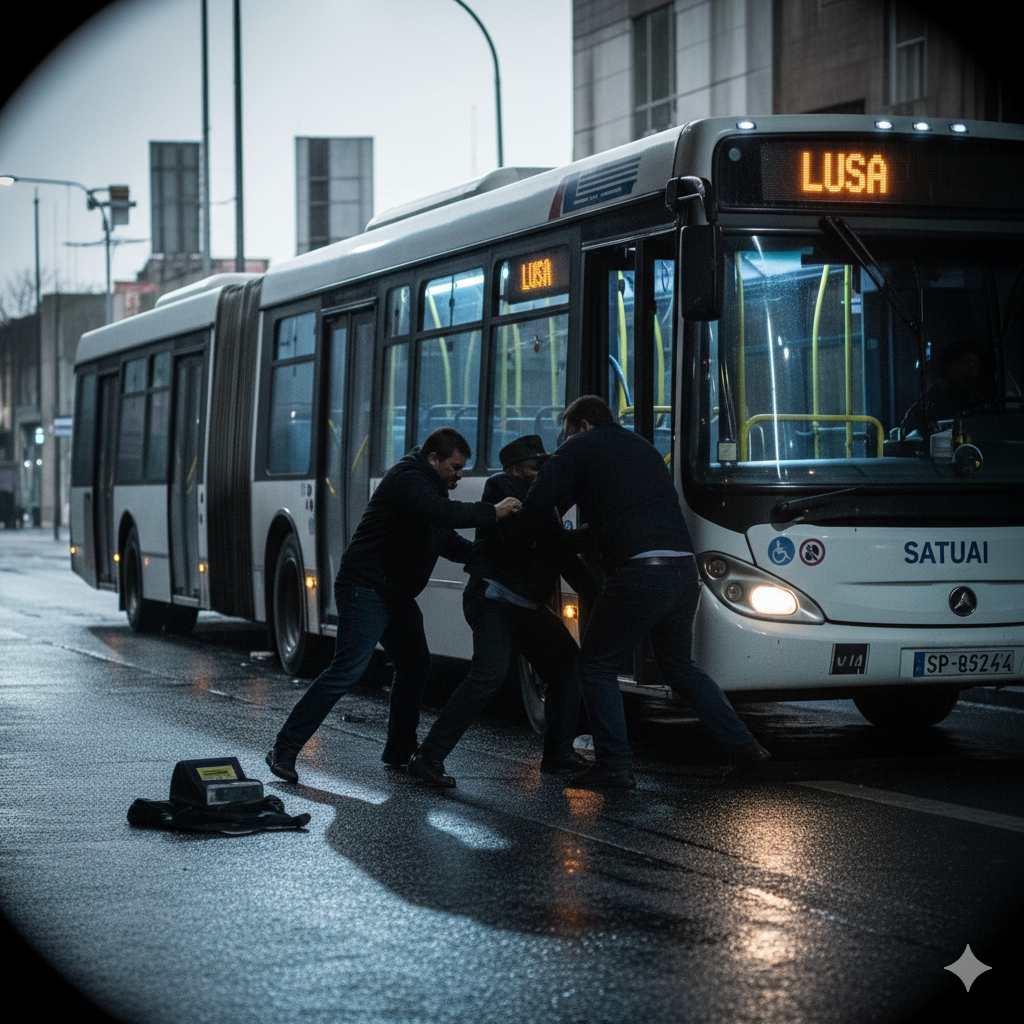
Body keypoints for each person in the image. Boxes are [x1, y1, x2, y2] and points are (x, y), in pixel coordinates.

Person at [518, 396, 769, 790]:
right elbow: (622, 519)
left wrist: (536, 538)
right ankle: (747, 749)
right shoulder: (644, 448)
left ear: (582, 425)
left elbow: (536, 506)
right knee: (679, 668)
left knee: (595, 666)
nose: (564, 441)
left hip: (639, 574)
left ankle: (614, 765)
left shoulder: (580, 446)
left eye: (566, 433)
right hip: (683, 572)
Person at [265, 428, 521, 783]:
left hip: (395, 594)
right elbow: (442, 514)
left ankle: (400, 751)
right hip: (365, 588)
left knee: (416, 665)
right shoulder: (409, 478)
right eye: (455, 467)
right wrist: (492, 512)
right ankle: (284, 747)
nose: (460, 476)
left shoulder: (427, 485)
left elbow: (445, 538)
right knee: (348, 670)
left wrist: (491, 558)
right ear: (433, 459)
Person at [406, 434, 597, 788]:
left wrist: (594, 595)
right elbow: (544, 539)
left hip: (523, 604)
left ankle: (558, 752)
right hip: (493, 598)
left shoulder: (543, 498)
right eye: (536, 466)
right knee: (488, 674)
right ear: (514, 469)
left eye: (546, 465)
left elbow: (559, 555)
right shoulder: (502, 486)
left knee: (566, 663)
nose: (544, 471)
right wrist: (590, 533)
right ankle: (428, 756)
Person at [901, 338, 993, 436]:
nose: (972, 365)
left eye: (975, 362)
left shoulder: (982, 401)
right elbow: (907, 435)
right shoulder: (931, 402)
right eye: (967, 361)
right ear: (950, 366)